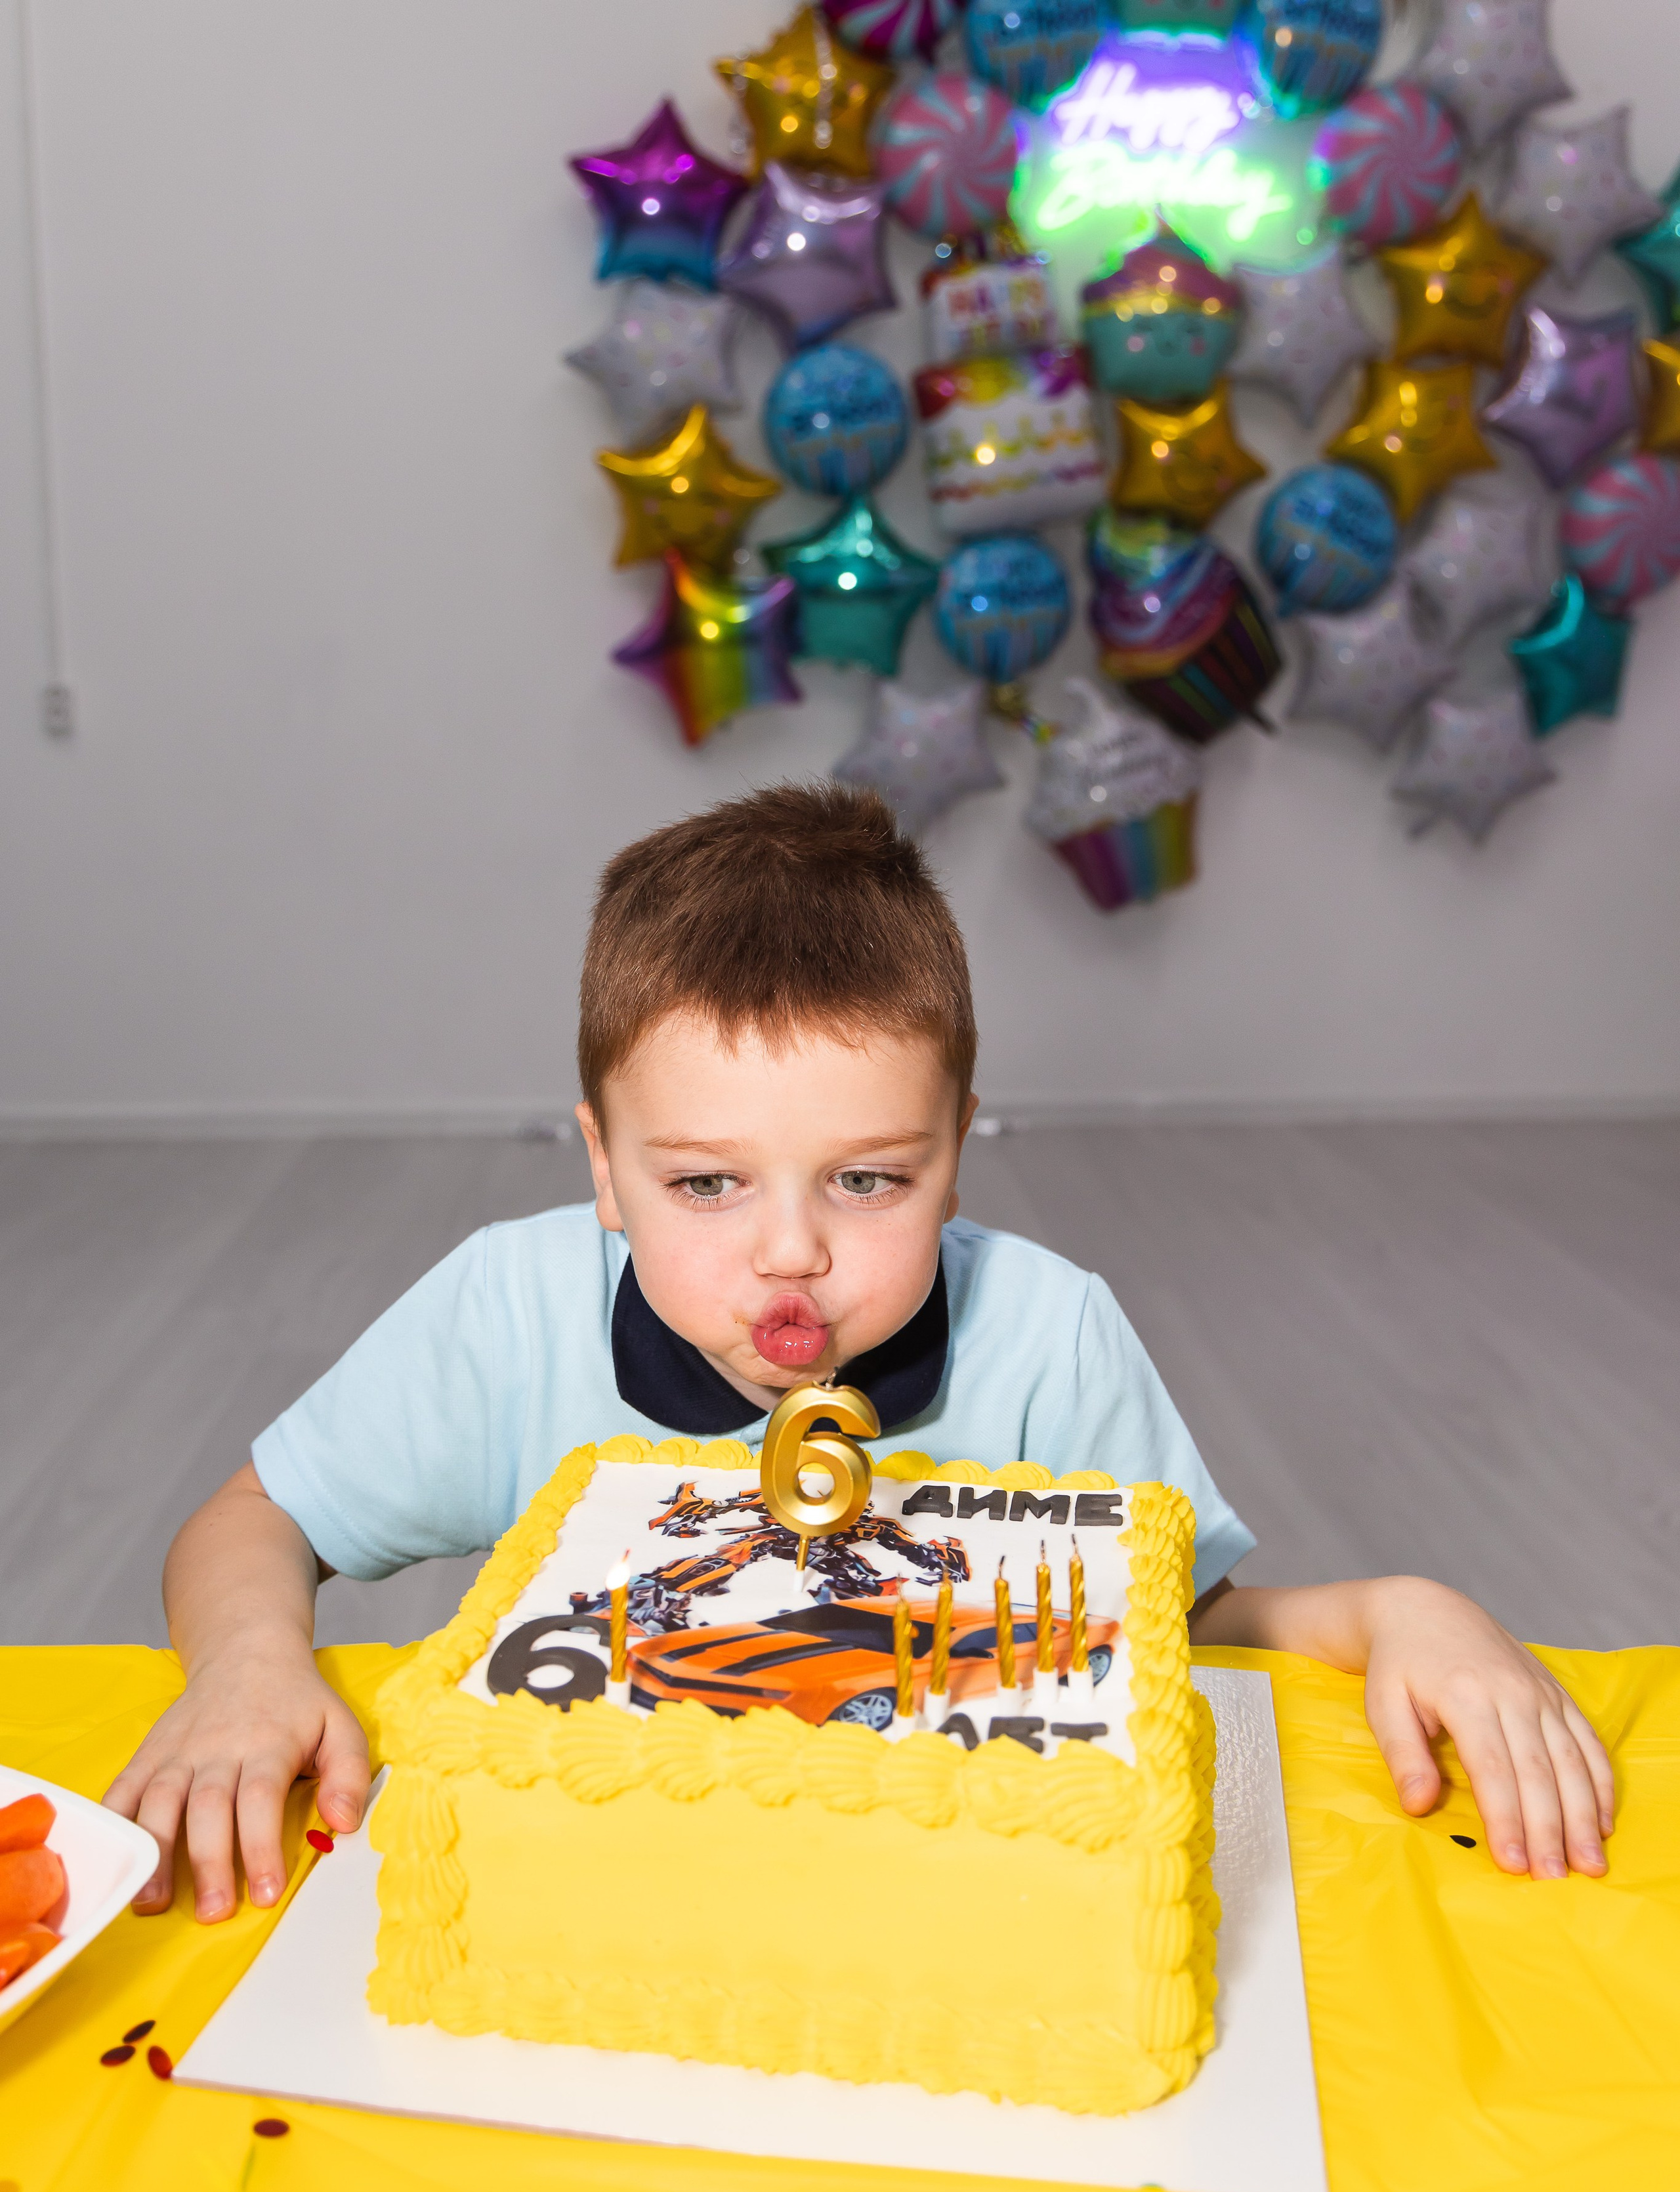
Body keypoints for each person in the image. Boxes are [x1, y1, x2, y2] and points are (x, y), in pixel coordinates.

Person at [105, 783, 1616, 1920]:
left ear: (957, 1152)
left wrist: (1395, 1611)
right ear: (604, 1169)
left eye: (867, 1180)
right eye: (703, 1184)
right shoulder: (505, 1312)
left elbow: (1177, 1639)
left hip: (936, 1911)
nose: (789, 1254)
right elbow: (256, 1518)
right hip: (593, 1902)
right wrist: (246, 1666)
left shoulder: (1044, 1335)